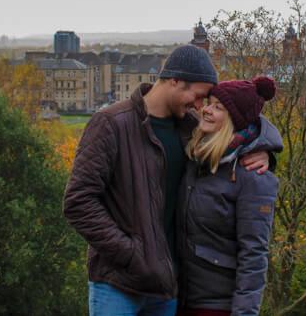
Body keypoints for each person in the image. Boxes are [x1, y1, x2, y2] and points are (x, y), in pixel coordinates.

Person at [63, 45, 270, 316]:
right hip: (118, 284)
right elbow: (78, 202)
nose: (200, 107)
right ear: (175, 80)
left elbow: (241, 122)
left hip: (167, 288)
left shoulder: (190, 128)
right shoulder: (111, 123)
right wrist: (130, 255)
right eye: (197, 96)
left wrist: (263, 149)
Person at [176, 76, 282, 316]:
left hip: (217, 305)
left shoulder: (253, 176)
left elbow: (254, 253)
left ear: (235, 120)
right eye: (209, 103)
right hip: (180, 297)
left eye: (218, 107)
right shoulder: (197, 159)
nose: (207, 110)